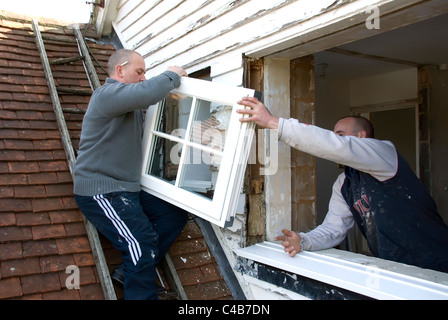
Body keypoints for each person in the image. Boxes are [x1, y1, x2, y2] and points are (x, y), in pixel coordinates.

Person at [237, 96, 448, 273]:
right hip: (398, 269)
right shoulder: (344, 184)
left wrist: (275, 123)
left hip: (439, 261)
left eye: (340, 135)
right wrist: (304, 240)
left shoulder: (385, 154)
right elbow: (333, 229)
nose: (336, 140)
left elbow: (338, 147)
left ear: (362, 137)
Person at [74, 49, 189, 299]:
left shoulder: (129, 104)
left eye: (145, 72)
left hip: (127, 188)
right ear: (119, 70)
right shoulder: (106, 95)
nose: (143, 77)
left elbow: (144, 97)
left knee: (174, 215)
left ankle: (132, 270)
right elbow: (147, 93)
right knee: (140, 242)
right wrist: (173, 75)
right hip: (101, 190)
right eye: (139, 71)